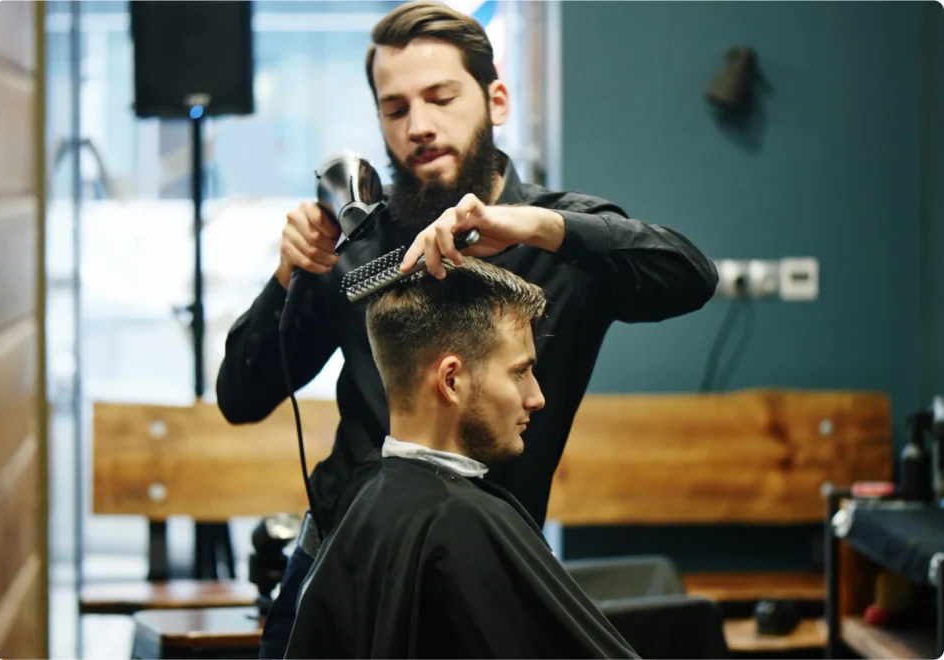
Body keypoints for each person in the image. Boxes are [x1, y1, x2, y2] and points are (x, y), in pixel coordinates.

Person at [216, 2, 718, 656]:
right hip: (343, 569)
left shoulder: (559, 237)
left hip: (480, 574)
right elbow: (240, 396)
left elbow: (690, 277)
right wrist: (287, 276)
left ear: (496, 100)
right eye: (395, 110)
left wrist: (540, 228)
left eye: (441, 98)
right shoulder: (357, 244)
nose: (419, 126)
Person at [284, 257, 639, 659]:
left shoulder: (362, 497)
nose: (536, 397)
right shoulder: (463, 521)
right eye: (519, 372)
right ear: (451, 380)